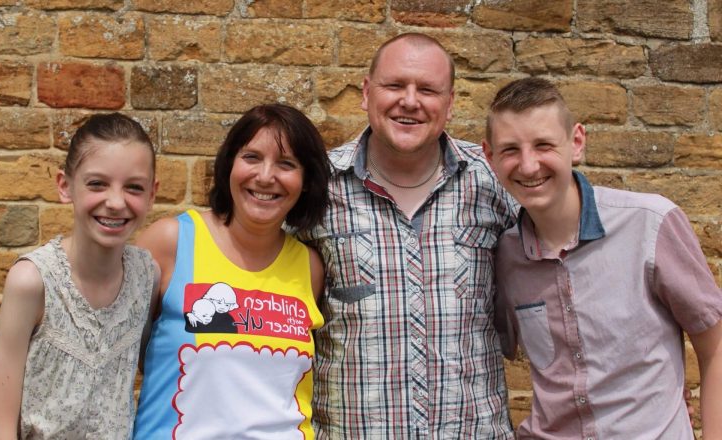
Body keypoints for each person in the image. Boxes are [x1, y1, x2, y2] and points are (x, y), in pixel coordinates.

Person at [298, 33, 517, 438]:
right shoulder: (317, 187)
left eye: (428, 89)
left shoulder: (493, 178)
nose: (410, 101)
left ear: (450, 104)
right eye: (395, 85)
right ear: (366, 93)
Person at [482, 77, 722, 439]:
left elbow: (716, 346)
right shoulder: (505, 256)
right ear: (490, 158)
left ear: (576, 142)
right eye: (511, 150)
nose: (529, 166)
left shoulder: (650, 224)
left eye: (543, 145)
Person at [133, 103, 331, 439]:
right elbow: (125, 353)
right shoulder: (171, 242)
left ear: (306, 181)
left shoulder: (309, 266)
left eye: (286, 164)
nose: (266, 176)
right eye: (252, 157)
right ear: (230, 164)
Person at [0, 113, 160, 439]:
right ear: (65, 186)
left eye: (134, 187)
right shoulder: (33, 281)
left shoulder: (147, 277)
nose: (116, 202)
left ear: (152, 194)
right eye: (97, 184)